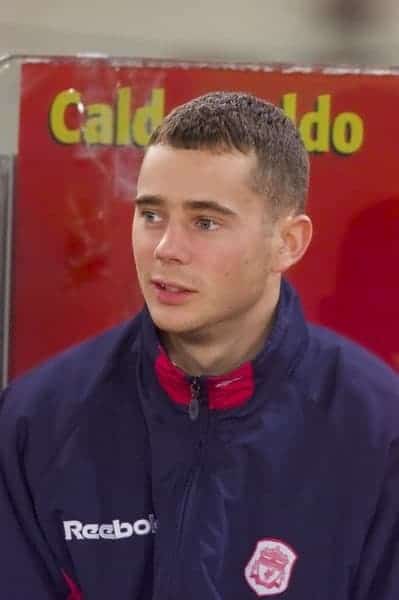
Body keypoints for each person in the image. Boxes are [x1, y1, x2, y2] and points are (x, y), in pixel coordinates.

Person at [0, 91, 398, 600]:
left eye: (205, 222)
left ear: (288, 242)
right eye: (151, 216)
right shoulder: (36, 423)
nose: (166, 249)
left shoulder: (380, 431)